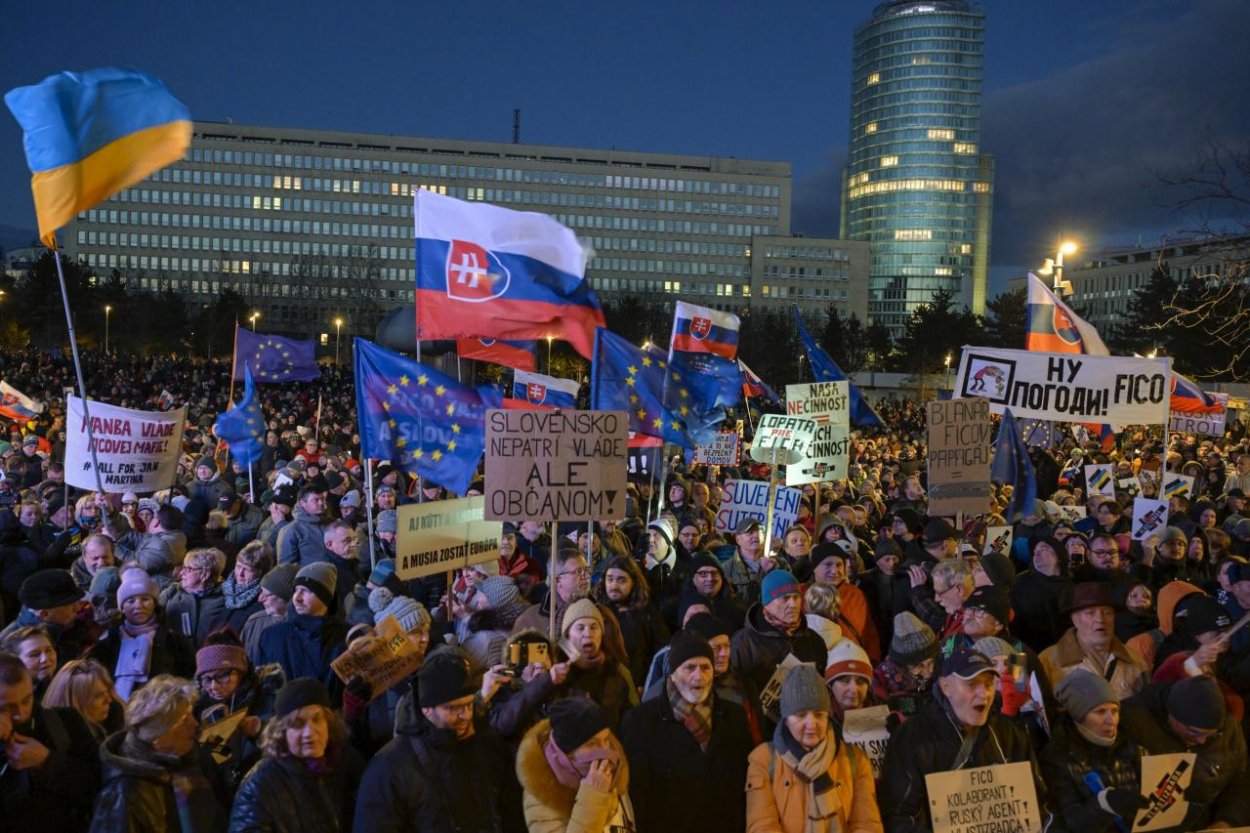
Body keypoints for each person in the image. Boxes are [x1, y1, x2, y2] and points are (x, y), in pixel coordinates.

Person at [879, 648, 1054, 832]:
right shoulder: (912, 737)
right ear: (946, 687)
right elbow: (900, 817)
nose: (984, 694)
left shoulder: (1010, 733)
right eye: (972, 685)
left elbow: (1040, 803)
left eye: (988, 685)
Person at [353, 649, 523, 831]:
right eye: (453, 708)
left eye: (468, 704)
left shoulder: (488, 745)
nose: (465, 715)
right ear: (426, 710)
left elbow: (511, 812)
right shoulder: (391, 767)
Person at [620, 630, 753, 833]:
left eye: (705, 667)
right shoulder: (640, 722)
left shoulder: (734, 716)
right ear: (672, 673)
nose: (698, 676)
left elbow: (743, 786)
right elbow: (637, 797)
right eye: (689, 667)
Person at [746, 663, 883, 833]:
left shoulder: (856, 759)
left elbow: (867, 824)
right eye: (801, 715)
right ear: (786, 719)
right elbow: (762, 826)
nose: (812, 724)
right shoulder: (763, 760)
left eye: (819, 715)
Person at [89, 674, 231, 833]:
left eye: (191, 715)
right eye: (184, 720)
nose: (195, 724)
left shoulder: (193, 767)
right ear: (158, 736)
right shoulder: (123, 795)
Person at [229, 677, 364, 833]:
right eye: (297, 724)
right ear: (281, 732)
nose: (309, 733)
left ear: (329, 722)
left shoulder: (349, 764)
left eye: (317, 719)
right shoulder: (259, 786)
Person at [1119, 675, 1250, 831]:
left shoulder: (1228, 729)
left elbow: (1239, 784)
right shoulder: (1131, 722)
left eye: (1210, 735)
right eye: (1194, 732)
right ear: (1171, 715)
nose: (1202, 741)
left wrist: (1226, 822)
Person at [0, 651, 102, 833]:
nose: (20, 714)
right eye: (6, 708)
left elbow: (100, 788)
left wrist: (47, 762)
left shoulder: (65, 723)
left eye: (26, 700)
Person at [1038, 670, 1146, 833]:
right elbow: (1070, 823)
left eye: (1114, 711)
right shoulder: (1057, 757)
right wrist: (1105, 804)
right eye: (1100, 712)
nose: (1111, 720)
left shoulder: (1131, 747)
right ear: (1079, 714)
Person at [515, 697, 635, 832]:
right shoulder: (543, 795)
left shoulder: (613, 774)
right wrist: (593, 797)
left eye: (606, 739)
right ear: (567, 751)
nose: (604, 750)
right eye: (592, 744)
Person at [731, 570, 827, 729]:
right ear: (767, 603)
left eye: (796, 597)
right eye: (785, 598)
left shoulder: (814, 640)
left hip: (806, 730)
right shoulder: (743, 643)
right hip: (762, 731)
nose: (793, 604)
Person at [90, 567, 196, 701]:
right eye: (130, 601)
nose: (138, 605)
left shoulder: (175, 643)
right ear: (122, 607)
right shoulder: (107, 645)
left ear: (155, 603)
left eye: (145, 599)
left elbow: (189, 681)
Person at [252, 562, 348, 700]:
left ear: (324, 596)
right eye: (296, 590)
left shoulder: (346, 637)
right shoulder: (271, 636)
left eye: (306, 591)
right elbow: (264, 691)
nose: (297, 598)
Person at [1039, 582, 1149, 699]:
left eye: (1107, 613)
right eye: (1090, 613)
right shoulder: (1049, 661)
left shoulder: (1135, 661)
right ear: (1075, 620)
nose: (1100, 619)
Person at [42, 657, 124, 742]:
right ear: (74, 702)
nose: (109, 700)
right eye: (98, 696)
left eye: (108, 691)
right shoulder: (59, 742)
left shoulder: (117, 727)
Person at [159, 547, 228, 645]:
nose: (182, 572)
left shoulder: (222, 602)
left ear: (205, 574)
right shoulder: (171, 593)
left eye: (189, 569)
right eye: (183, 568)